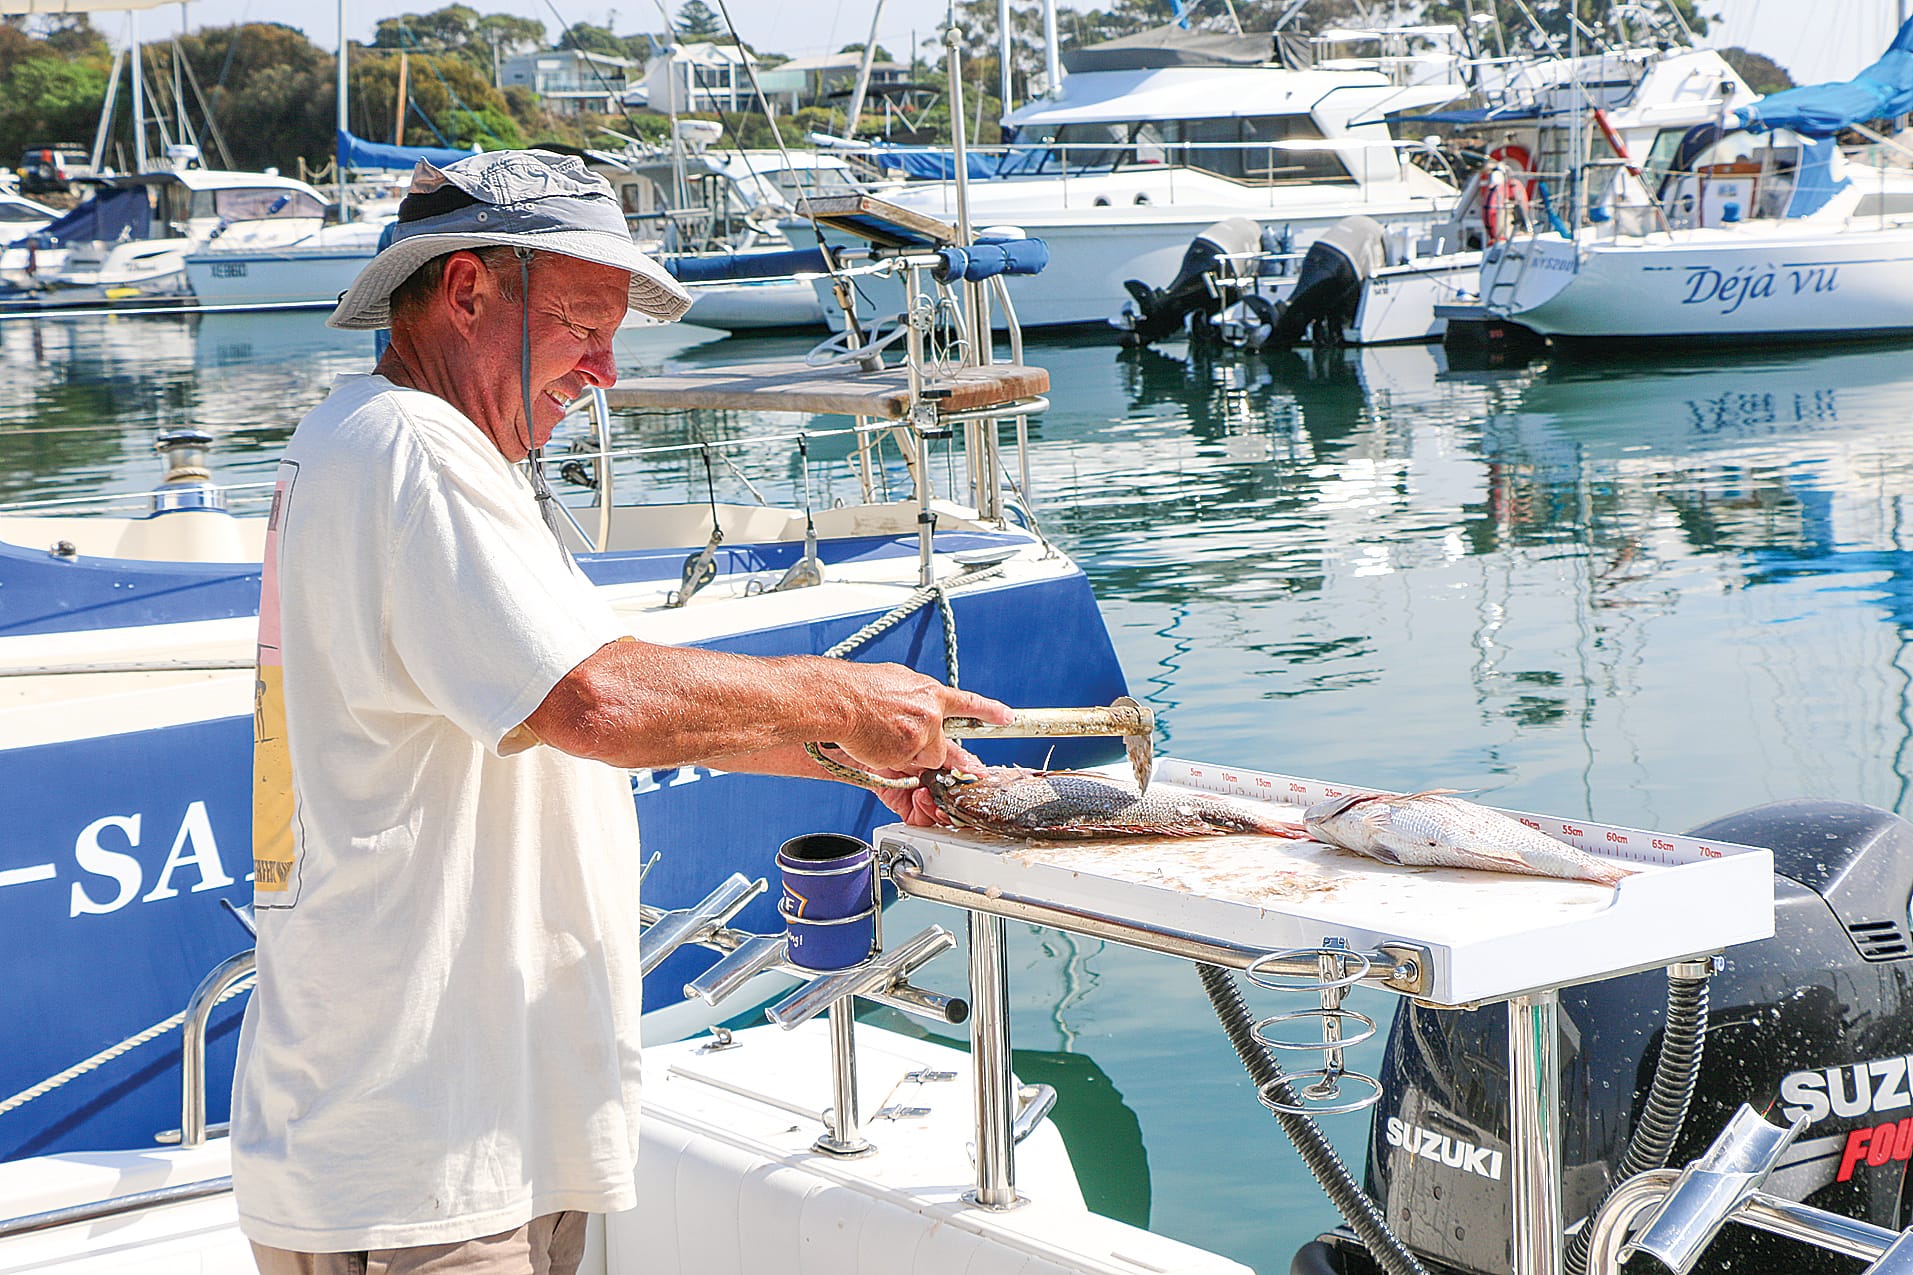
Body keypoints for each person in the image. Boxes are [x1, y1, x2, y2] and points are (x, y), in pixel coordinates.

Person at [235, 150, 1010, 1275]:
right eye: (581, 327)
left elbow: (552, 704)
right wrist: (840, 692)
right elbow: (593, 701)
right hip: (425, 1167)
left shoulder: (374, 442)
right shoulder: (416, 451)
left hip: (443, 1142)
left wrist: (847, 756)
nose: (602, 371)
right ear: (465, 293)